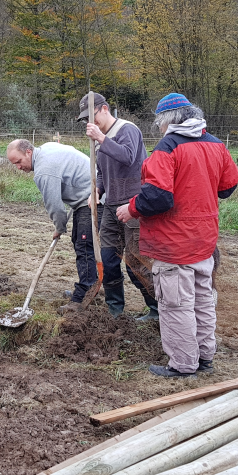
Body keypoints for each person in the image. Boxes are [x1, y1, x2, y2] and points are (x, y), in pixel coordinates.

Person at [117, 93, 238, 377]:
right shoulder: (216, 144)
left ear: (167, 120)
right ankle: (205, 357)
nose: (159, 128)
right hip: (204, 239)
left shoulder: (167, 148)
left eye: (159, 122)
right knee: (202, 299)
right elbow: (228, 186)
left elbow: (157, 197)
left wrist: (131, 209)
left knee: (175, 304)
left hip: (174, 242)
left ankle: (183, 365)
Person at [80, 92, 159, 321]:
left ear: (104, 109)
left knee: (137, 263)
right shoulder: (99, 138)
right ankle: (115, 311)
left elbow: (127, 156)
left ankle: (156, 310)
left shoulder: (127, 130)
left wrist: (102, 140)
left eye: (91, 116)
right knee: (108, 259)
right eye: (85, 119)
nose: (89, 123)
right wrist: (98, 190)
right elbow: (102, 172)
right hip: (111, 207)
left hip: (134, 207)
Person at [6, 139, 97, 314]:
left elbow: (55, 206)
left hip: (92, 197)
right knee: (80, 242)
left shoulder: (43, 171)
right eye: (14, 164)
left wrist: (59, 227)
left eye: (18, 161)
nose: (18, 167)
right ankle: (90, 287)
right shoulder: (45, 149)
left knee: (84, 247)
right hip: (84, 198)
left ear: (28, 152)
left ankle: (82, 297)